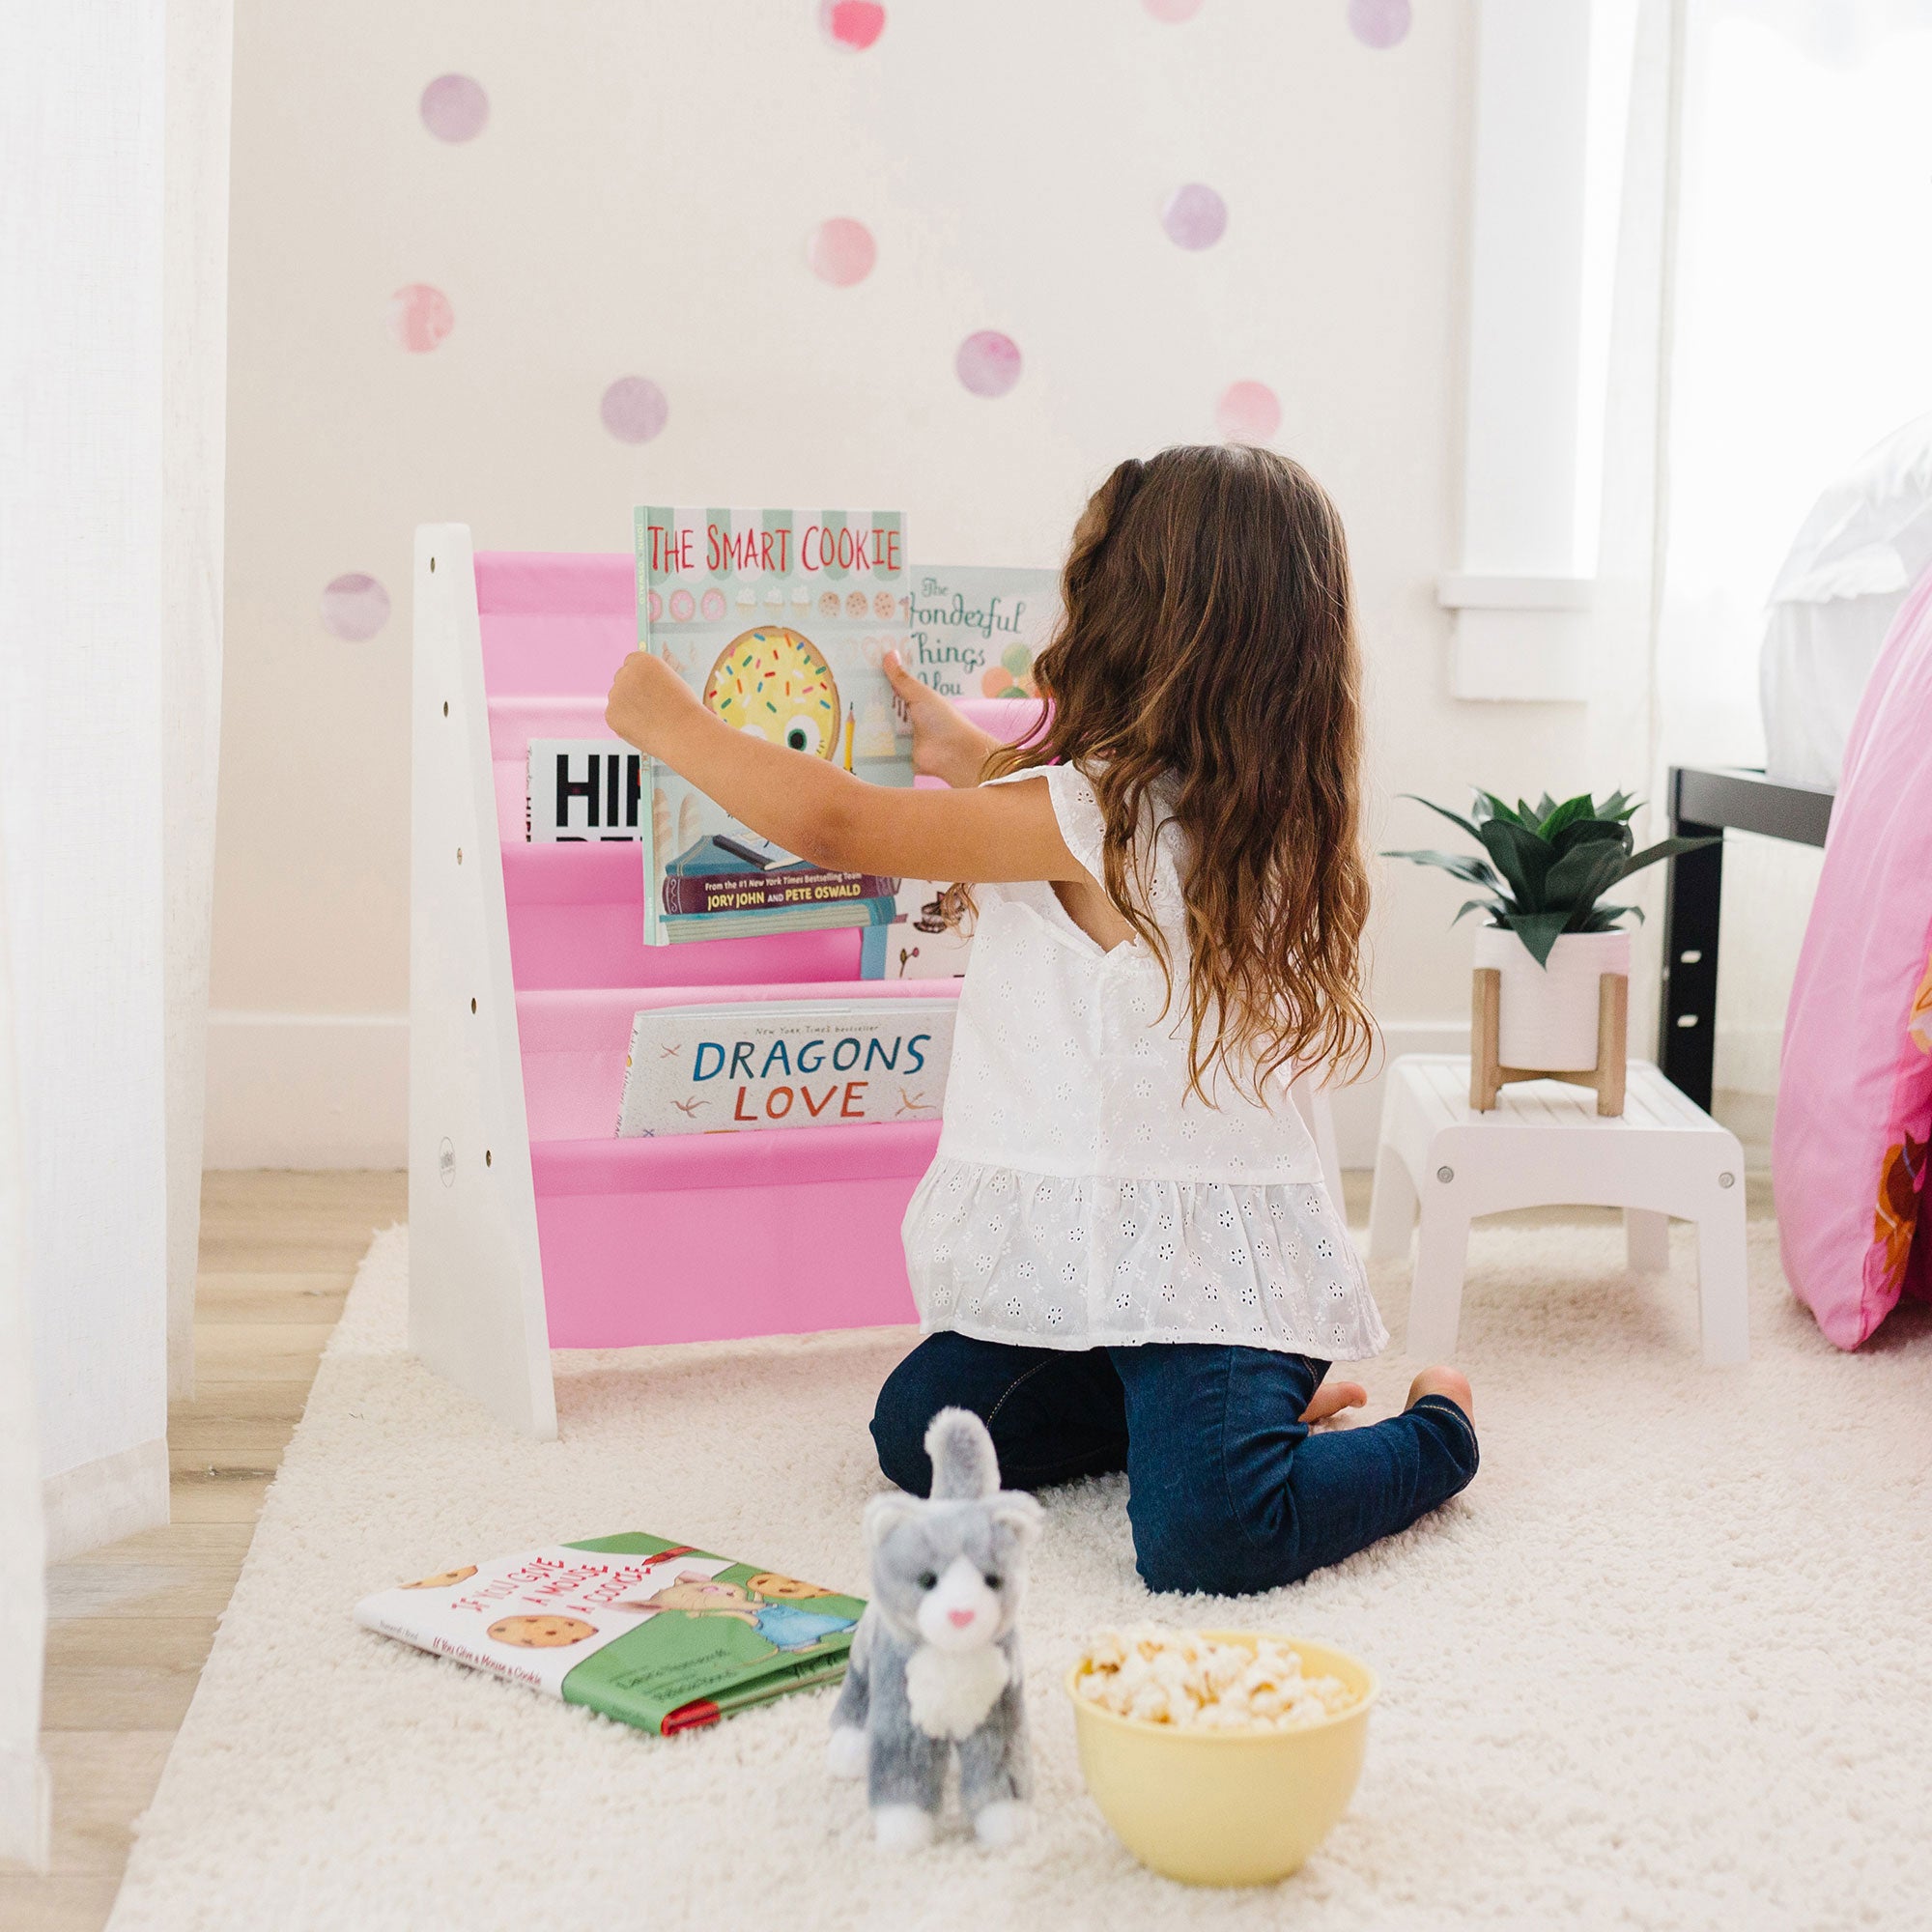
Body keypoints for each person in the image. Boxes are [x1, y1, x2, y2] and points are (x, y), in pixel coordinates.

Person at [605, 445, 1478, 1595]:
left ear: (1137, 616)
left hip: (1214, 1287)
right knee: (922, 1433)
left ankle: (1435, 1429)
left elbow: (840, 823)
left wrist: (673, 725)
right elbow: (1069, 838)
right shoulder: (1224, 810)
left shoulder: (1096, 818)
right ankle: (1223, 1415)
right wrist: (963, 753)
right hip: (1104, 1269)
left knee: (1211, 1536)